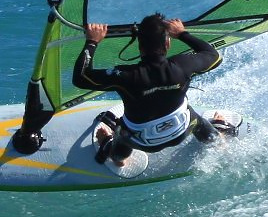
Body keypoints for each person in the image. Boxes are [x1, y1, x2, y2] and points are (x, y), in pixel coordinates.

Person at [72, 13, 231, 166]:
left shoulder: (124, 76)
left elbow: (81, 77)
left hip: (141, 141)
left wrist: (92, 41)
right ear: (167, 43)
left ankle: (116, 156)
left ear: (140, 46)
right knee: (195, 119)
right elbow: (214, 56)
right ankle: (218, 141)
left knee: (121, 136)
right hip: (181, 131)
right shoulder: (182, 65)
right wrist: (182, 34)